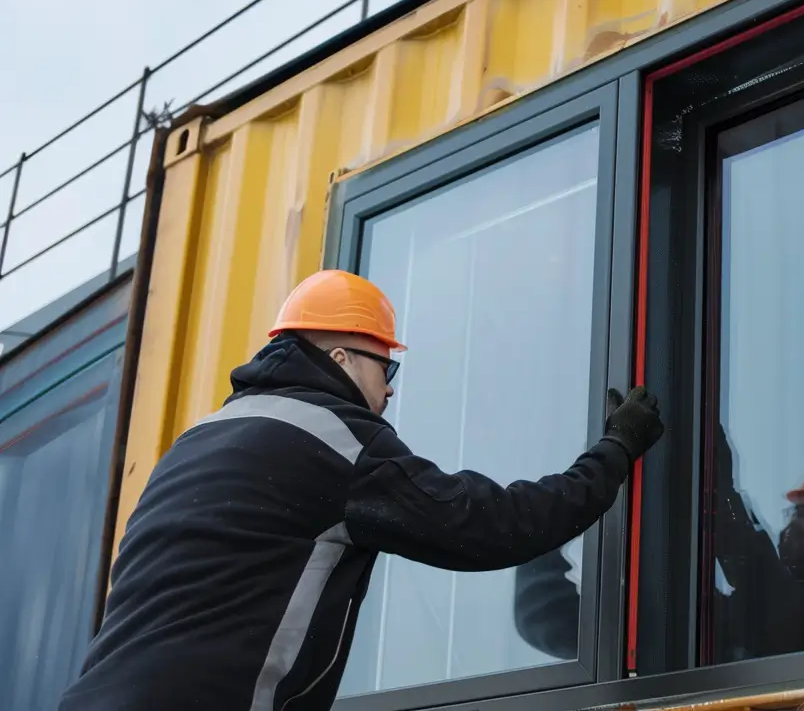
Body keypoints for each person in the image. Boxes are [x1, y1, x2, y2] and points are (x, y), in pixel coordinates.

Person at [60, 270, 666, 711]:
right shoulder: (336, 441)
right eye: (386, 367)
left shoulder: (196, 440)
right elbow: (495, 525)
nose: (391, 389)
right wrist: (615, 450)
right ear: (342, 357)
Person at [513, 425, 804, 663]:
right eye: (794, 512)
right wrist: (560, 513)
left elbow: (765, 585)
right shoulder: (728, 617)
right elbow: (551, 619)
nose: (795, 522)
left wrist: (717, 481)